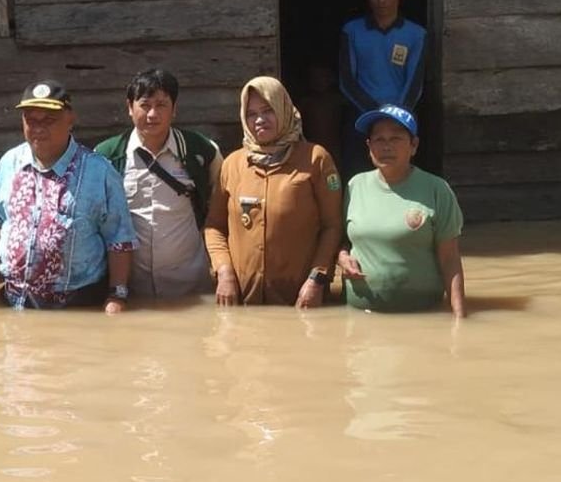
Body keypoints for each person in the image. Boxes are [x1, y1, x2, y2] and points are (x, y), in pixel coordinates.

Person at [0, 79, 137, 313]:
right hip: (14, 301)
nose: (38, 128)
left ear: (70, 119)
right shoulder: (9, 162)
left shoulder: (99, 171)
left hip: (76, 306)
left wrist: (118, 295)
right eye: (30, 120)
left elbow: (119, 238)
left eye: (49, 120)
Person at [204, 76, 343, 307]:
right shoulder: (232, 164)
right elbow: (214, 226)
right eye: (251, 113)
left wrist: (316, 279)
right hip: (242, 300)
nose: (259, 120)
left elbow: (332, 226)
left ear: (284, 109)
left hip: (302, 300)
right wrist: (224, 272)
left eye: (268, 110)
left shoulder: (316, 159)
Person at [95, 69, 223, 299]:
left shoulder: (202, 152)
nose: (152, 114)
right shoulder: (106, 156)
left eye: (162, 105)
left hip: (191, 288)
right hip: (132, 290)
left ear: (174, 109)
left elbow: (221, 209)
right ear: (129, 107)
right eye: (145, 105)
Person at [338, 104, 466, 317]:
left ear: (414, 145)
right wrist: (342, 257)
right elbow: (343, 239)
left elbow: (450, 259)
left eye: (396, 139)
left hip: (422, 317)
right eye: (379, 139)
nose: (386, 146)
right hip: (360, 319)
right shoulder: (354, 186)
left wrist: (460, 317)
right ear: (369, 146)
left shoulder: (436, 189)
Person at [338, 0, 427, 180]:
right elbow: (347, 81)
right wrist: (375, 115)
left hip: (402, 120)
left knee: (400, 177)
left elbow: (415, 82)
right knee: (358, 177)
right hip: (361, 120)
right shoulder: (352, 31)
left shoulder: (416, 34)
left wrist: (396, 116)